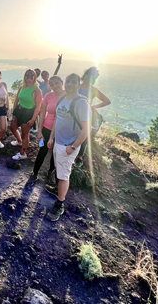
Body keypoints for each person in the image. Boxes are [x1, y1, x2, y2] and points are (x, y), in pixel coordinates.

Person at [46, 73, 91, 222]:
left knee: (64, 175)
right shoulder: (63, 98)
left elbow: (86, 129)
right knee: (60, 170)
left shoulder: (81, 103)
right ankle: (59, 190)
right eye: (68, 82)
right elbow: (57, 119)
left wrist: (73, 147)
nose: (70, 85)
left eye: (73, 82)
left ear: (78, 84)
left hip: (68, 145)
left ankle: (60, 204)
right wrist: (51, 137)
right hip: (58, 142)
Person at [28, 75, 66, 184]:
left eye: (57, 83)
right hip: (45, 128)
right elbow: (42, 114)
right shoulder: (48, 96)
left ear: (61, 82)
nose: (55, 86)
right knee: (42, 151)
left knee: (56, 153)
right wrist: (39, 131)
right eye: (52, 84)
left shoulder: (67, 96)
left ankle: (51, 172)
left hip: (60, 131)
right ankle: (34, 173)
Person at [76, 66, 111, 162]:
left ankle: (80, 156)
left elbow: (107, 101)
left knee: (84, 133)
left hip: (85, 113)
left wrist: (94, 107)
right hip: (74, 112)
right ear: (85, 75)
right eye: (89, 76)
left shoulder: (93, 90)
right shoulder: (77, 86)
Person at [10, 69, 42, 160]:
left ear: (35, 77)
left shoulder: (37, 90)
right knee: (12, 127)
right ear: (25, 77)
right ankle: (19, 141)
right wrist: (14, 111)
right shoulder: (22, 87)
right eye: (27, 75)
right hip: (19, 110)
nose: (29, 77)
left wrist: (33, 119)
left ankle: (22, 153)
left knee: (25, 134)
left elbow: (38, 107)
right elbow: (16, 99)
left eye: (32, 75)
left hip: (29, 113)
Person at [33, 55, 62, 132]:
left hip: (50, 101)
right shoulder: (40, 84)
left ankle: (40, 128)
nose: (45, 75)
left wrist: (59, 64)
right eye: (43, 75)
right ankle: (38, 128)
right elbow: (34, 81)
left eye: (46, 74)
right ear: (41, 77)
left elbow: (56, 74)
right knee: (39, 114)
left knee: (46, 114)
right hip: (42, 100)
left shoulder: (51, 83)